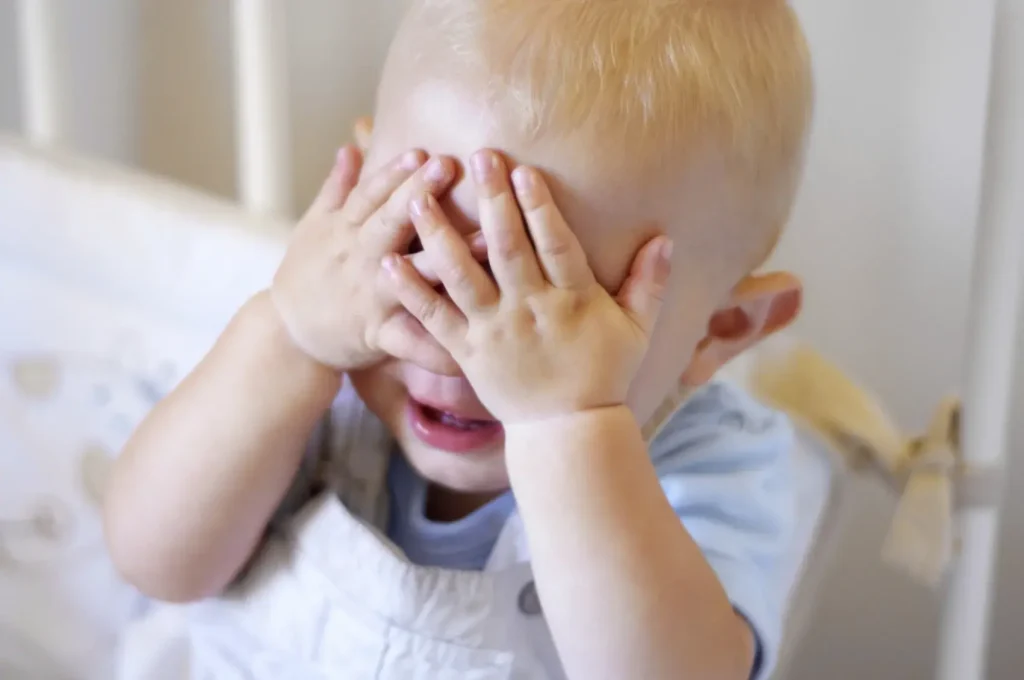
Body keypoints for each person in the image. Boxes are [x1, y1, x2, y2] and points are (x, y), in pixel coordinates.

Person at [103, 1, 813, 678]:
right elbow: (154, 562)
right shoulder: (317, 374)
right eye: (419, 246)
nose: (453, 342)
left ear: (719, 328)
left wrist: (565, 425)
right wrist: (286, 332)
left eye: (552, 308)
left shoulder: (712, 463)